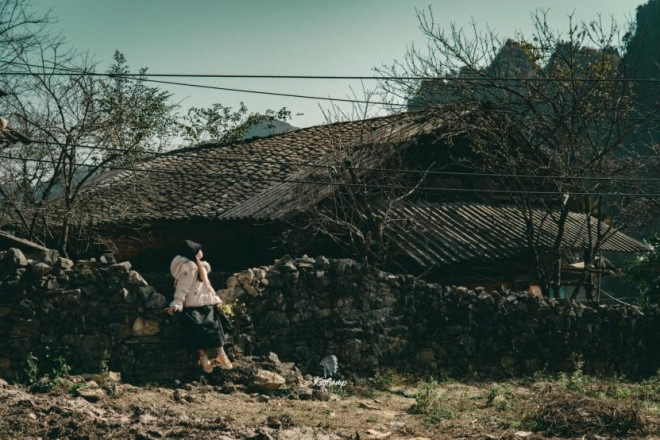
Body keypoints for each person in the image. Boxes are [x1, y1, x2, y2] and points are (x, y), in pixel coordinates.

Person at [164, 240, 233, 373]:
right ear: (193, 253)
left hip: (205, 303)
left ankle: (221, 354)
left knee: (215, 327)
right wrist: (177, 304)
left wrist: (215, 300)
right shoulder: (189, 268)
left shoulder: (200, 266)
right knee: (197, 330)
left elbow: (207, 287)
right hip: (192, 305)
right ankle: (203, 357)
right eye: (198, 249)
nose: (201, 251)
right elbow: (181, 288)